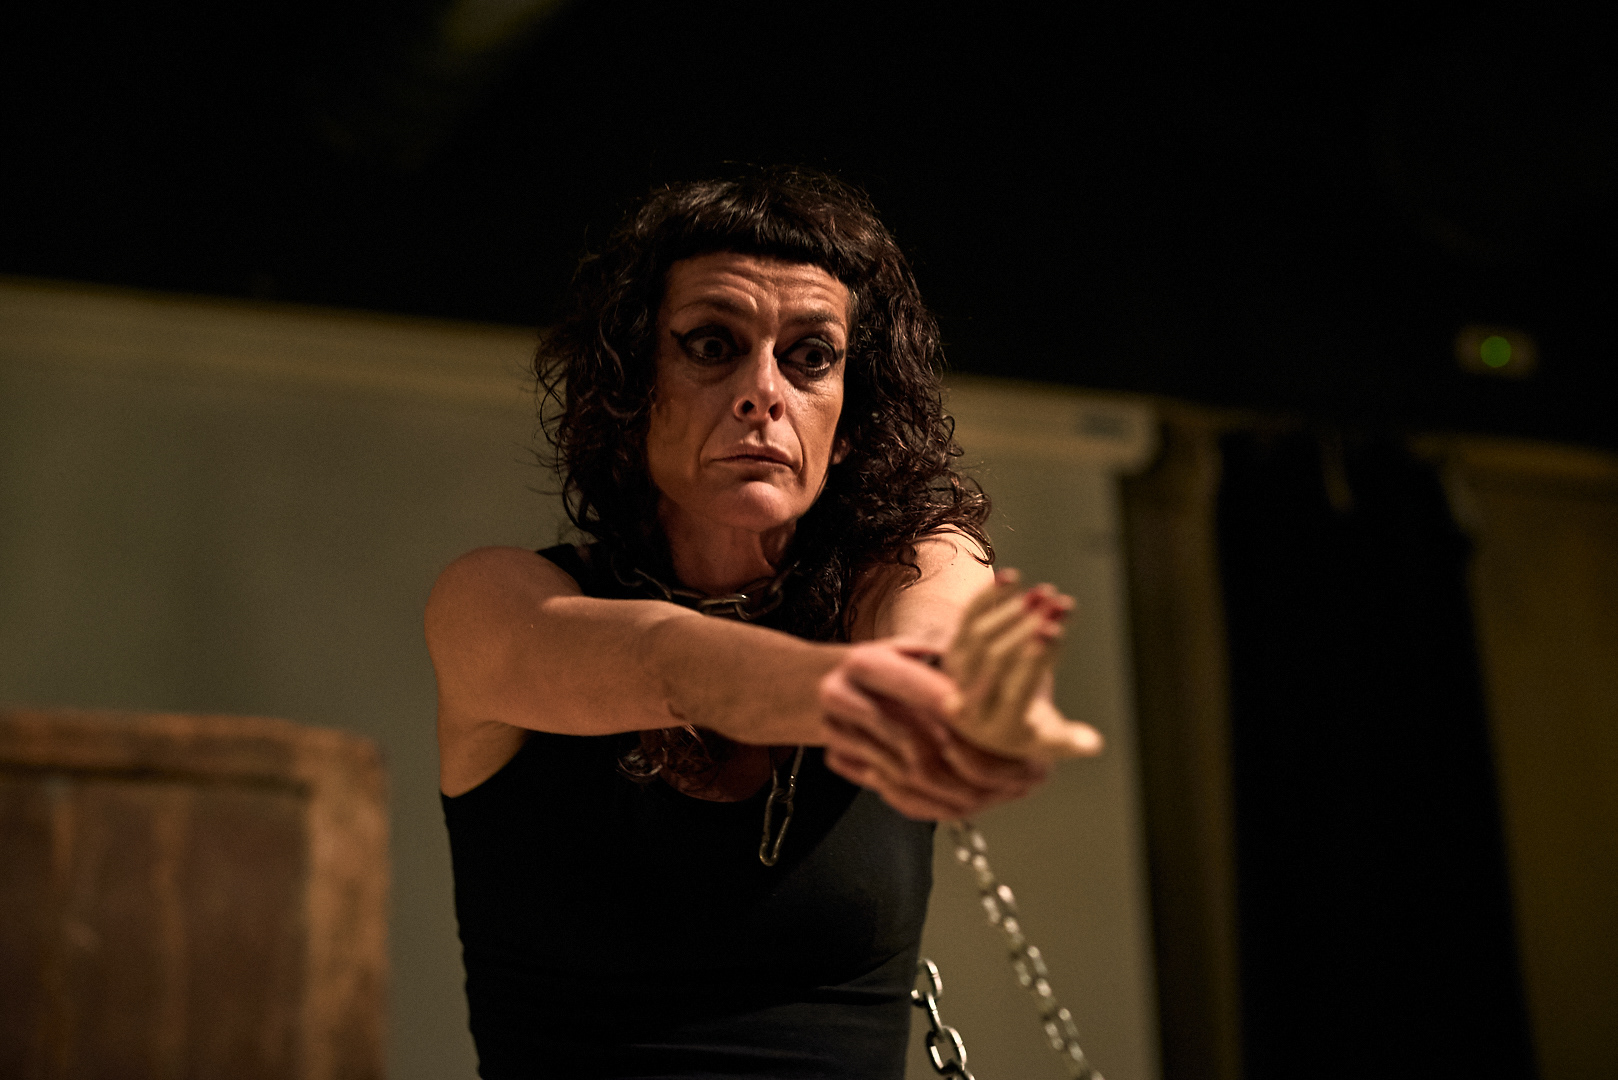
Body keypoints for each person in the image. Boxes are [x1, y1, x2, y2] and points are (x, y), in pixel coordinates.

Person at [426, 167, 1102, 1079]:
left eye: (811, 356)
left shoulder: (912, 565)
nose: (763, 392)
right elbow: (667, 662)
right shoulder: (497, 600)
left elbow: (939, 642)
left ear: (851, 416)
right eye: (713, 345)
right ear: (631, 386)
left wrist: (967, 701)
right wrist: (877, 699)